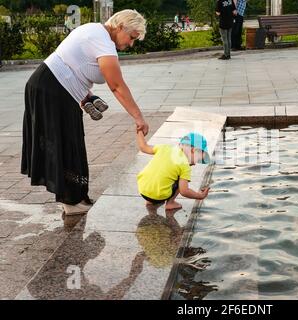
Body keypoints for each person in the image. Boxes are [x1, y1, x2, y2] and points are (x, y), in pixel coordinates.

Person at [21, 9, 149, 216]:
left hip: (52, 87)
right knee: (66, 144)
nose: (131, 44)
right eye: (131, 37)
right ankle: (72, 201)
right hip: (52, 90)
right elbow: (116, 85)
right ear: (120, 27)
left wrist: (85, 95)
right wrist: (138, 117)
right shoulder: (102, 40)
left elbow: (72, 64)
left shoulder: (95, 32)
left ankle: (76, 197)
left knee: (71, 142)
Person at [136, 131, 210, 210]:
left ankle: (150, 201)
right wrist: (200, 196)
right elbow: (184, 191)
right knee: (180, 178)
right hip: (159, 196)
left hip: (142, 190)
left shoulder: (164, 147)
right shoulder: (184, 165)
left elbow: (143, 147)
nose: (195, 164)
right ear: (194, 150)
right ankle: (170, 203)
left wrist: (139, 131)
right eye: (197, 159)